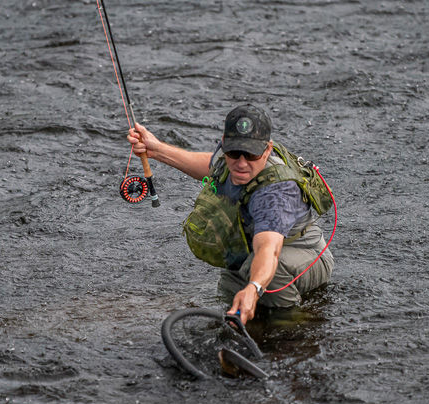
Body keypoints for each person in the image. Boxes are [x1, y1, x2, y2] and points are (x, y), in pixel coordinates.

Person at [127, 104, 334, 325]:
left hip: (303, 255)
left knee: (269, 279)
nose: (241, 163)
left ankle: (295, 327)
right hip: (252, 251)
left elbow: (269, 250)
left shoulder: (276, 192)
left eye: (251, 154)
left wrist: (253, 289)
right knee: (230, 288)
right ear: (225, 143)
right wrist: (156, 150)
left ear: (267, 149)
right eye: (234, 152)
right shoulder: (228, 156)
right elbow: (212, 167)